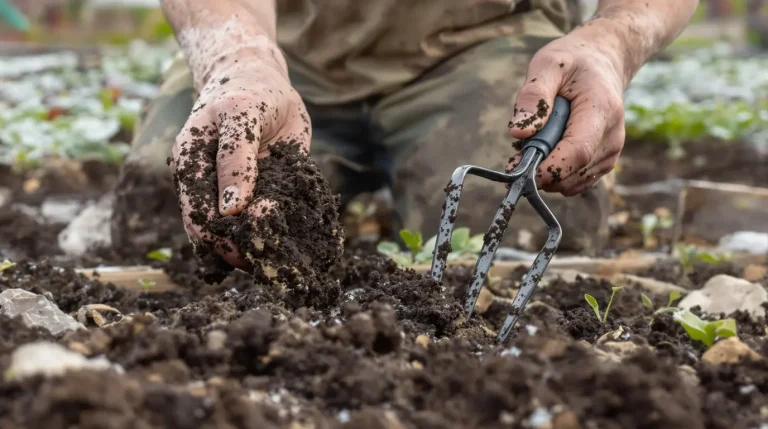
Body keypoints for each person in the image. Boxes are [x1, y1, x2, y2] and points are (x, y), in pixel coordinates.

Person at [109, 0, 700, 271]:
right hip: (281, 46)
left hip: (480, 41)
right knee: (184, 212)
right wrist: (238, 60)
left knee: (504, 228)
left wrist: (612, 42)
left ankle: (417, 175)